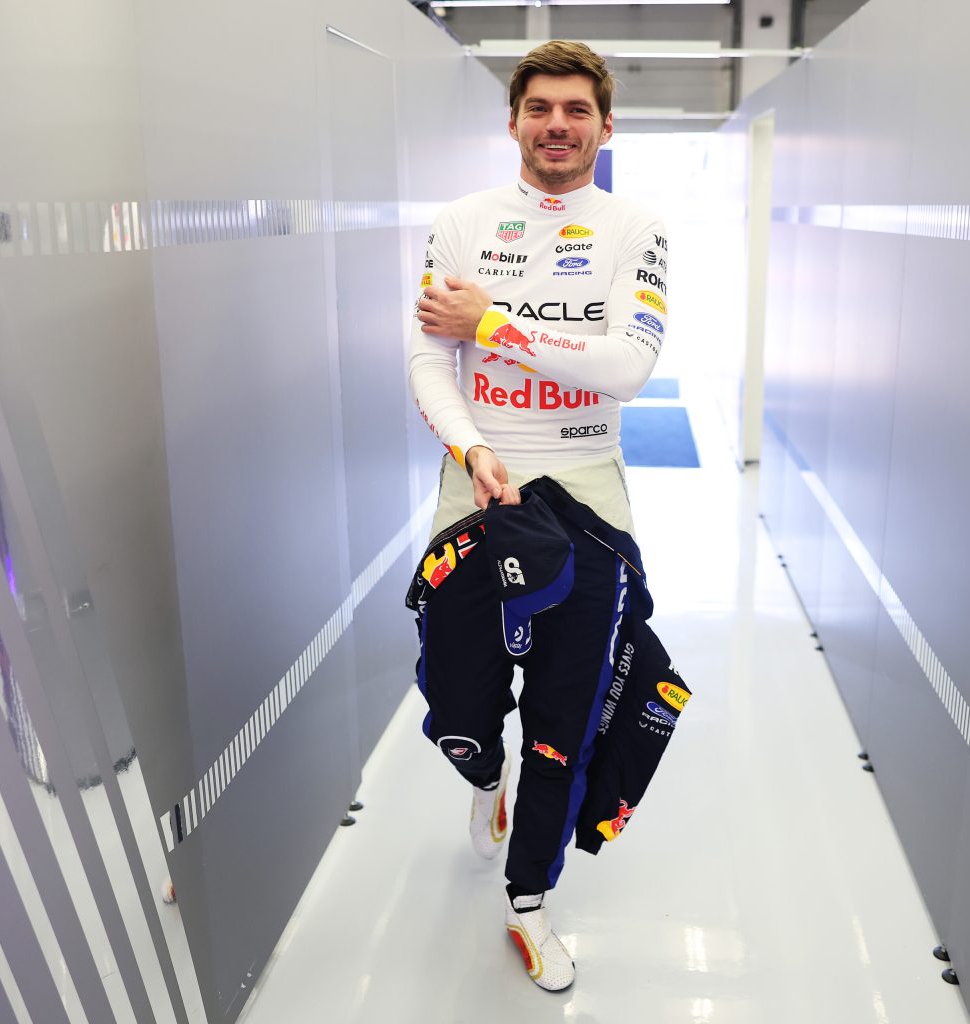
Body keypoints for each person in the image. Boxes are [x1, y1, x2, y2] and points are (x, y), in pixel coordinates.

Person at [409, 39, 669, 991]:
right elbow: (428, 360)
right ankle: (486, 775)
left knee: (566, 714)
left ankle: (530, 902)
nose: (557, 126)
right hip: (475, 483)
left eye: (576, 110)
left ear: (605, 125)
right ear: (513, 120)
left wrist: (491, 323)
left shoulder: (636, 228)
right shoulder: (460, 223)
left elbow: (625, 369)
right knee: (457, 694)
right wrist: (472, 449)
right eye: (540, 109)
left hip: (587, 490)